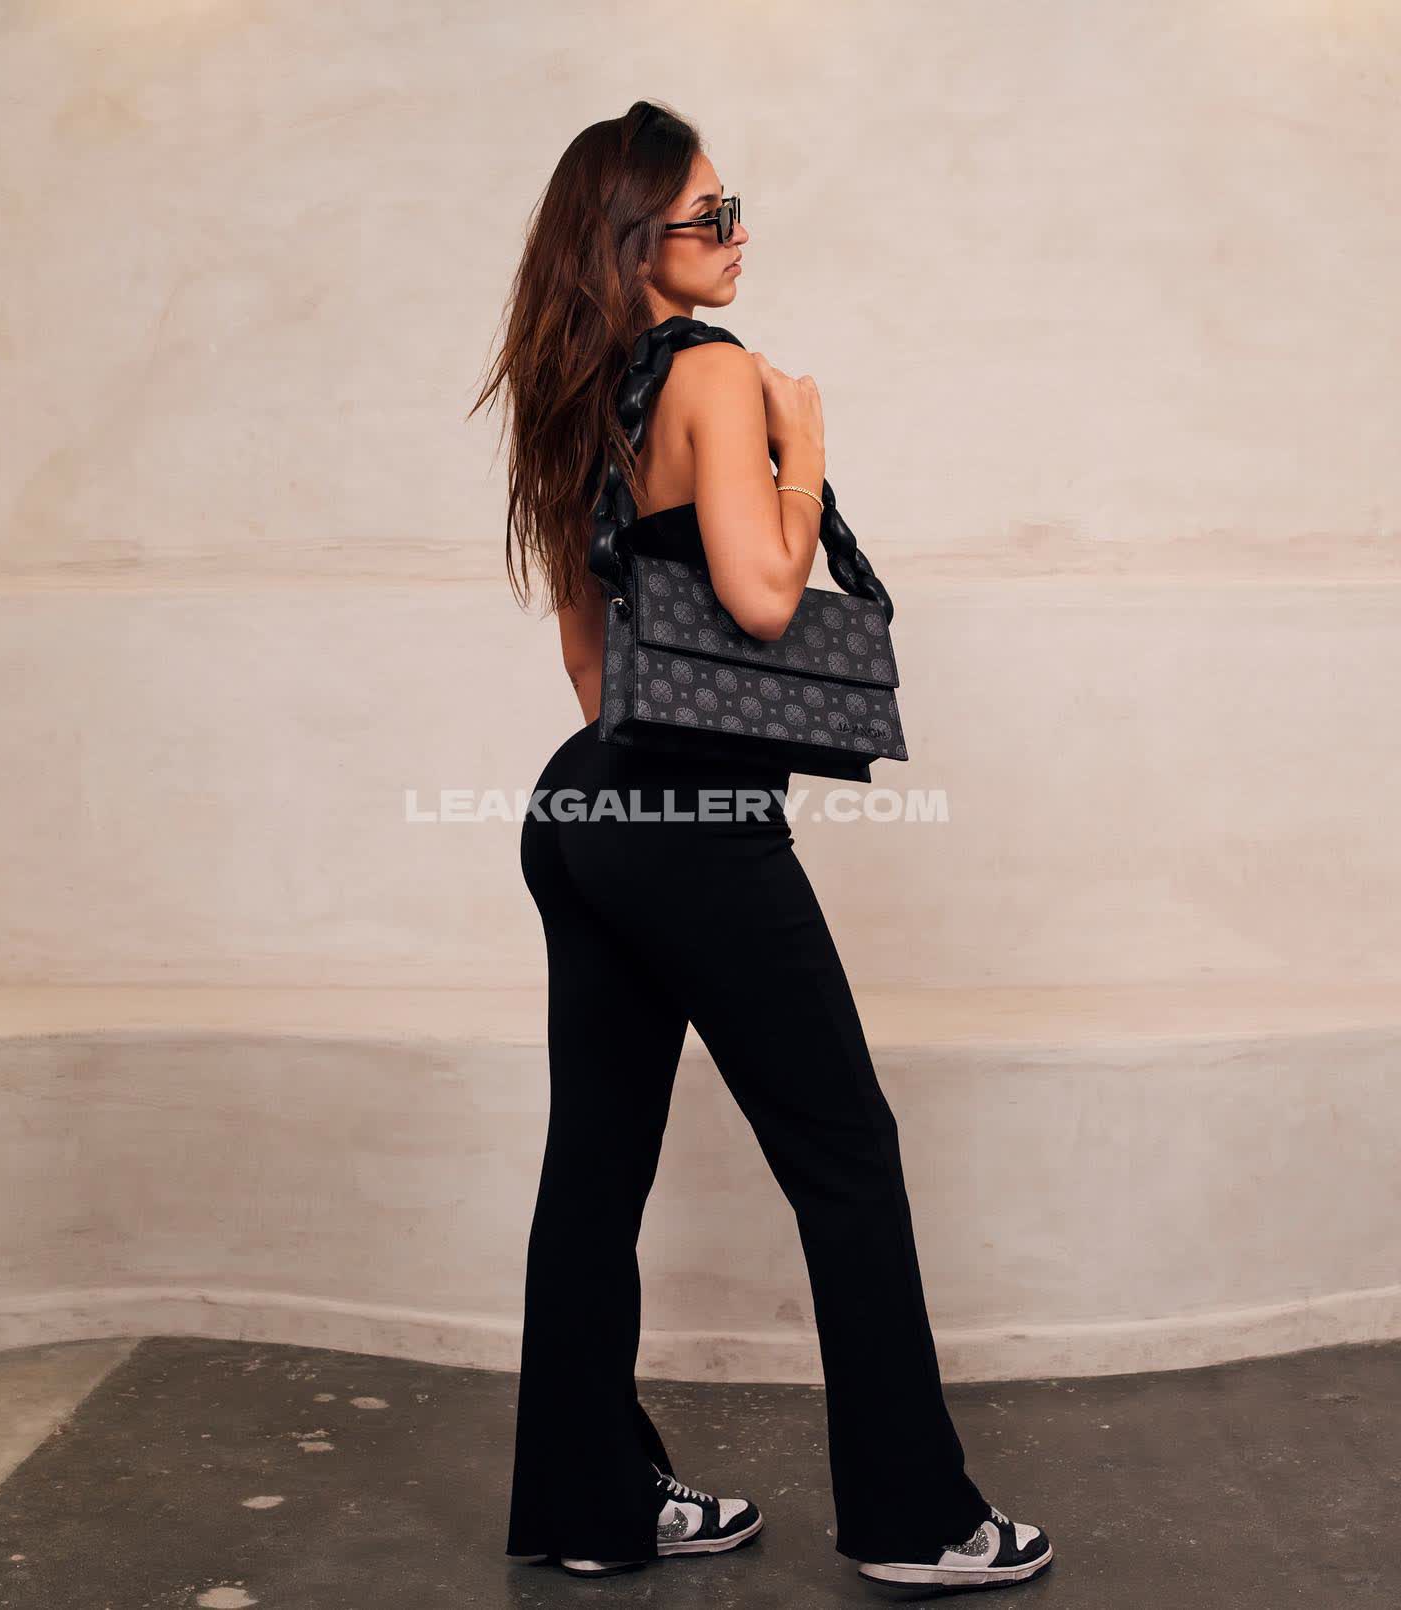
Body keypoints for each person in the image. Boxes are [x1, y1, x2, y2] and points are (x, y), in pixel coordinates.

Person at [469, 98, 1053, 1590]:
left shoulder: (575, 395)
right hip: (692, 823)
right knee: (847, 1154)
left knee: (595, 1168)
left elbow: (591, 661)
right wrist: (803, 445)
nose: (738, 239)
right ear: (635, 243)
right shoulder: (718, 374)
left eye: (737, 211)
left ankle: (587, 1504)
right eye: (709, 218)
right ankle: (919, 1521)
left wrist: (638, 794)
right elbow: (768, 596)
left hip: (586, 803)